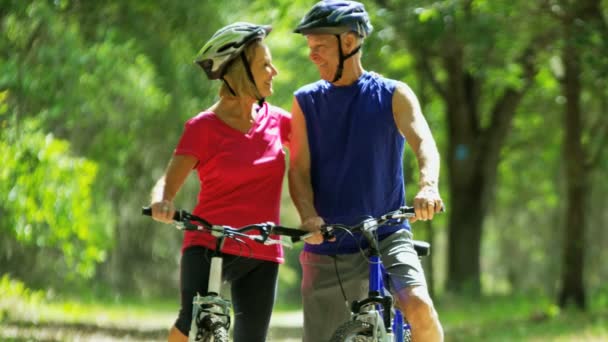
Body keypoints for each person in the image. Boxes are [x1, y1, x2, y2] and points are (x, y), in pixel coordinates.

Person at [288, 1, 445, 341]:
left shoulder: (393, 94)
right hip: (328, 242)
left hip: (387, 235)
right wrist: (308, 216)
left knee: (418, 306)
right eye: (309, 48)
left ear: (349, 42)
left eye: (320, 46)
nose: (312, 55)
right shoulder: (305, 102)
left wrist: (428, 187)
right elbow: (298, 170)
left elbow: (424, 144)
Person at [148, 22, 290, 342]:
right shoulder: (203, 128)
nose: (274, 71)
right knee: (191, 322)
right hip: (209, 243)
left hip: (263, 249)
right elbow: (167, 183)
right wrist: (163, 200)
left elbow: (319, 156)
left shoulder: (279, 122)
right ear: (239, 70)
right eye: (264, 64)